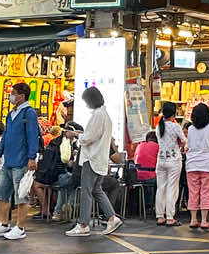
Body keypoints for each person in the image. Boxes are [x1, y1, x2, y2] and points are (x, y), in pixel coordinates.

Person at [65, 85, 122, 236]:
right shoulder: (105, 115)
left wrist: (76, 135)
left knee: (86, 191)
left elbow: (90, 137)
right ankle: (111, 217)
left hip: (92, 158)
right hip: (100, 158)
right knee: (96, 189)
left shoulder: (98, 115)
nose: (85, 104)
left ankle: (83, 224)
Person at [0, 82, 42, 240]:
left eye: (13, 93)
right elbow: (6, 136)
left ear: (22, 96)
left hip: (21, 161)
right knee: (1, 194)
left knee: (21, 196)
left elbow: (33, 136)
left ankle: (20, 227)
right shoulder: (11, 114)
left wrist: (32, 157)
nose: (11, 96)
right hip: (7, 161)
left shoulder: (29, 113)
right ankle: (3, 224)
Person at [184, 103, 209, 230]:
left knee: (193, 192)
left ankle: (193, 219)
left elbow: (188, 145)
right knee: (206, 192)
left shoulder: (190, 129)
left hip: (192, 164)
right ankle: (204, 220)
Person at [154, 101, 186, 226]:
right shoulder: (175, 126)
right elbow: (184, 141)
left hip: (161, 160)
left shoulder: (158, 126)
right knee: (172, 188)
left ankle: (160, 216)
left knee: (161, 187)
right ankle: (170, 217)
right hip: (174, 160)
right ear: (174, 113)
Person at [134, 131, 159, 217]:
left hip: (137, 176)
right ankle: (151, 207)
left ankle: (141, 207)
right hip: (151, 175)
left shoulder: (139, 145)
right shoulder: (158, 147)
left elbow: (135, 160)